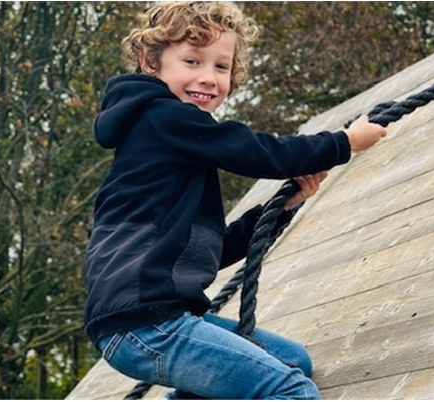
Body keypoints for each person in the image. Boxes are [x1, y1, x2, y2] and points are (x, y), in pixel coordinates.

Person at [83, 1, 386, 399]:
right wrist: (343, 143)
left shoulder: (172, 152)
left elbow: (207, 251)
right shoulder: (163, 117)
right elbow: (254, 152)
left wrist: (282, 208)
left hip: (147, 320)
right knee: (290, 390)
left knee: (292, 361)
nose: (208, 78)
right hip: (146, 321)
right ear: (150, 62)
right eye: (192, 61)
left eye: (221, 67)